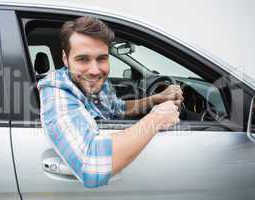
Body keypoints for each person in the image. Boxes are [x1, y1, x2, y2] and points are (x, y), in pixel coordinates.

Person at [37, 16, 183, 188]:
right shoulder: (56, 90)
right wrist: (157, 118)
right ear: (65, 58)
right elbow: (92, 168)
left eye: (102, 58)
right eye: (83, 59)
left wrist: (155, 99)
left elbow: (118, 108)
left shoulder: (97, 81)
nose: (95, 70)